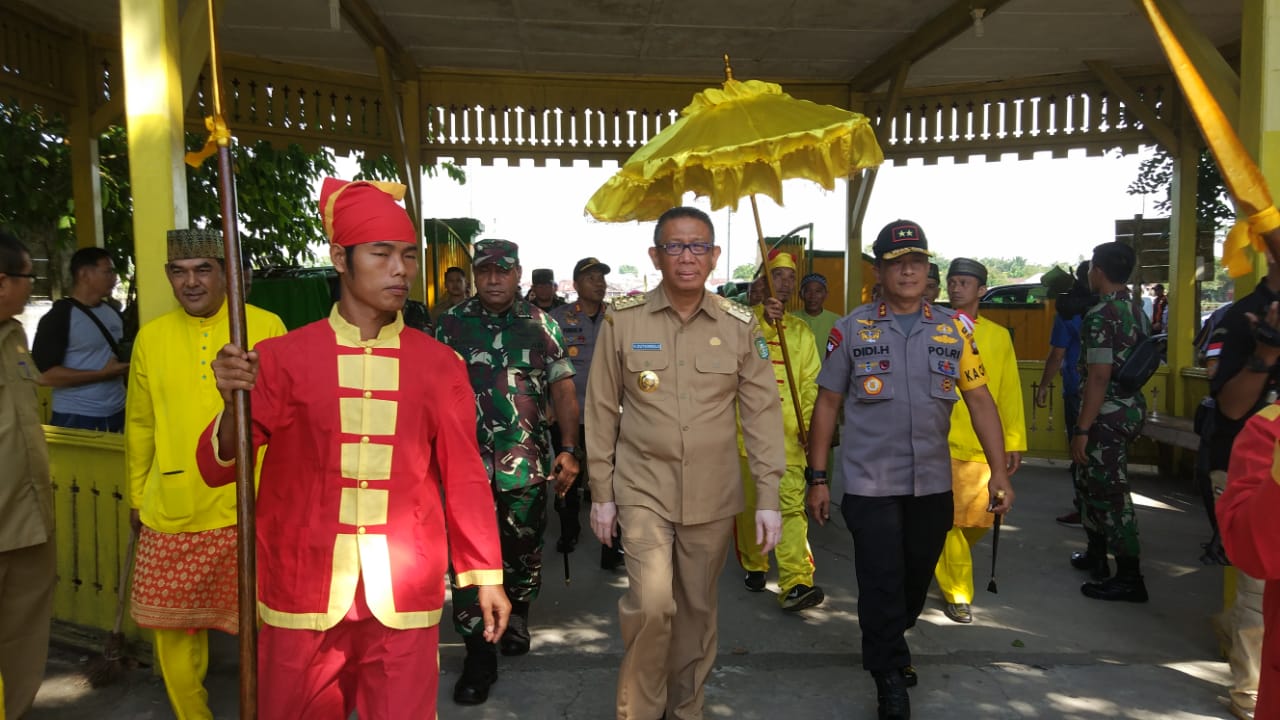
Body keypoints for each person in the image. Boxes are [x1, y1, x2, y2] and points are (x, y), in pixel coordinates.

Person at [197, 178, 508, 719]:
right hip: (301, 584)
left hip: (403, 591)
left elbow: (463, 476)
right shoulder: (281, 358)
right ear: (341, 257)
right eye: (382, 254)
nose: (401, 270)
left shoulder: (439, 365)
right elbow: (221, 466)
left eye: (409, 256)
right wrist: (232, 402)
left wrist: (485, 575)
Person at [805, 219, 1013, 720]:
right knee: (880, 576)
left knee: (915, 576)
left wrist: (1000, 472)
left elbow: (980, 401)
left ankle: (891, 640)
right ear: (880, 270)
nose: (908, 271)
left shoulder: (954, 328)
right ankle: (889, 674)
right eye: (897, 263)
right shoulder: (850, 329)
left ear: (928, 270)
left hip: (931, 484)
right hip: (869, 482)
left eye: (917, 262)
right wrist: (818, 477)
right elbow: (828, 404)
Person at [586, 206, 784, 720]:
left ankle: (686, 709)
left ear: (715, 256)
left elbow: (763, 415)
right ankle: (640, 713)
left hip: (713, 495)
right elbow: (602, 409)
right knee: (653, 606)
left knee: (696, 613)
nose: (687, 256)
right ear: (655, 255)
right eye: (675, 246)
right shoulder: (622, 321)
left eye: (698, 246)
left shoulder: (741, 326)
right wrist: (601, 495)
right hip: (642, 488)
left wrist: (769, 498)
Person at [125, 228, 287, 719]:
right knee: (172, 631)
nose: (190, 282)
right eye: (179, 271)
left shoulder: (265, 327)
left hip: (251, 507)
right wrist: (137, 496)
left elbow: (287, 421)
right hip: (173, 506)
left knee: (267, 626)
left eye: (203, 270)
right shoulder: (151, 336)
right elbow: (139, 423)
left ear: (228, 274)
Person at [436, 239, 580, 706]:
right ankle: (479, 654)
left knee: (523, 552)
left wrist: (570, 449)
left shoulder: (542, 326)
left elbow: (562, 391)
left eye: (503, 271)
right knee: (469, 561)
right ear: (475, 275)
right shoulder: (450, 326)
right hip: (465, 468)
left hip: (528, 465)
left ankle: (516, 614)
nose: (494, 279)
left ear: (518, 274)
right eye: (485, 271)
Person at [1199, 253, 1280, 719]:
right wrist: (1265, 356)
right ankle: (1249, 697)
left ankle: (1229, 628)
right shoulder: (1239, 316)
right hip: (1252, 465)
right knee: (1257, 587)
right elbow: (1230, 406)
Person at [933, 258, 1025, 625]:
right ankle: (957, 592)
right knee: (950, 521)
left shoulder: (999, 336)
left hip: (983, 445)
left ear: (982, 290)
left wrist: (1012, 440)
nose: (956, 288)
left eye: (965, 282)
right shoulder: (934, 328)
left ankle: (939, 563)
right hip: (941, 440)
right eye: (952, 282)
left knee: (978, 520)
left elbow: (1008, 391)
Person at [734, 249, 823, 611]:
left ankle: (796, 581)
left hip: (790, 439)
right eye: (778, 275)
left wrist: (811, 426)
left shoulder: (801, 331)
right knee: (751, 505)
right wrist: (762, 324)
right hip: (746, 437)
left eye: (790, 276)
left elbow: (810, 383)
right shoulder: (741, 324)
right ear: (762, 281)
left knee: (790, 508)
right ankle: (756, 563)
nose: (785, 282)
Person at [1069, 241, 1151, 602]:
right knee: (1090, 483)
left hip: (1107, 412)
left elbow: (1099, 375)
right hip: (1127, 407)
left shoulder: (1102, 314)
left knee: (1110, 494)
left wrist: (1082, 429)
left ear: (1098, 270)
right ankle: (1096, 554)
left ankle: (1129, 577)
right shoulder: (1136, 310)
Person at [0, 230, 56, 720]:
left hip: (29, 521)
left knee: (21, 639)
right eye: (26, 277)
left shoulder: (15, 335)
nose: (29, 286)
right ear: (2, 283)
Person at [548, 256, 624, 569]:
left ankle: (612, 545)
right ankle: (569, 531)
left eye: (601, 277)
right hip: (570, 416)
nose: (599, 283)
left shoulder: (619, 318)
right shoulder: (557, 318)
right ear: (577, 284)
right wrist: (548, 405)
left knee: (613, 481)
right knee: (568, 477)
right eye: (591, 277)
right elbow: (545, 366)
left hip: (609, 416)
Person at [31, 247, 129, 431]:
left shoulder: (113, 313)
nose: (115, 278)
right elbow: (44, 376)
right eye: (108, 272)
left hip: (119, 411)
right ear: (84, 274)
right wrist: (102, 375)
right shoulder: (59, 316)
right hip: (77, 416)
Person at [1034, 261, 1091, 527]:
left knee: (1080, 452)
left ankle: (1084, 509)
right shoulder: (1116, 308)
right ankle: (1105, 513)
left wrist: (1044, 385)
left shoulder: (1068, 310)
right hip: (1114, 396)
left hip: (1077, 391)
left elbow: (1057, 354)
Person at [796, 272, 841, 359]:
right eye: (808, 291)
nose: (813, 296)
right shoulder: (790, 320)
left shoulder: (837, 322)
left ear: (826, 295)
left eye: (818, 291)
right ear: (800, 295)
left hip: (828, 372)